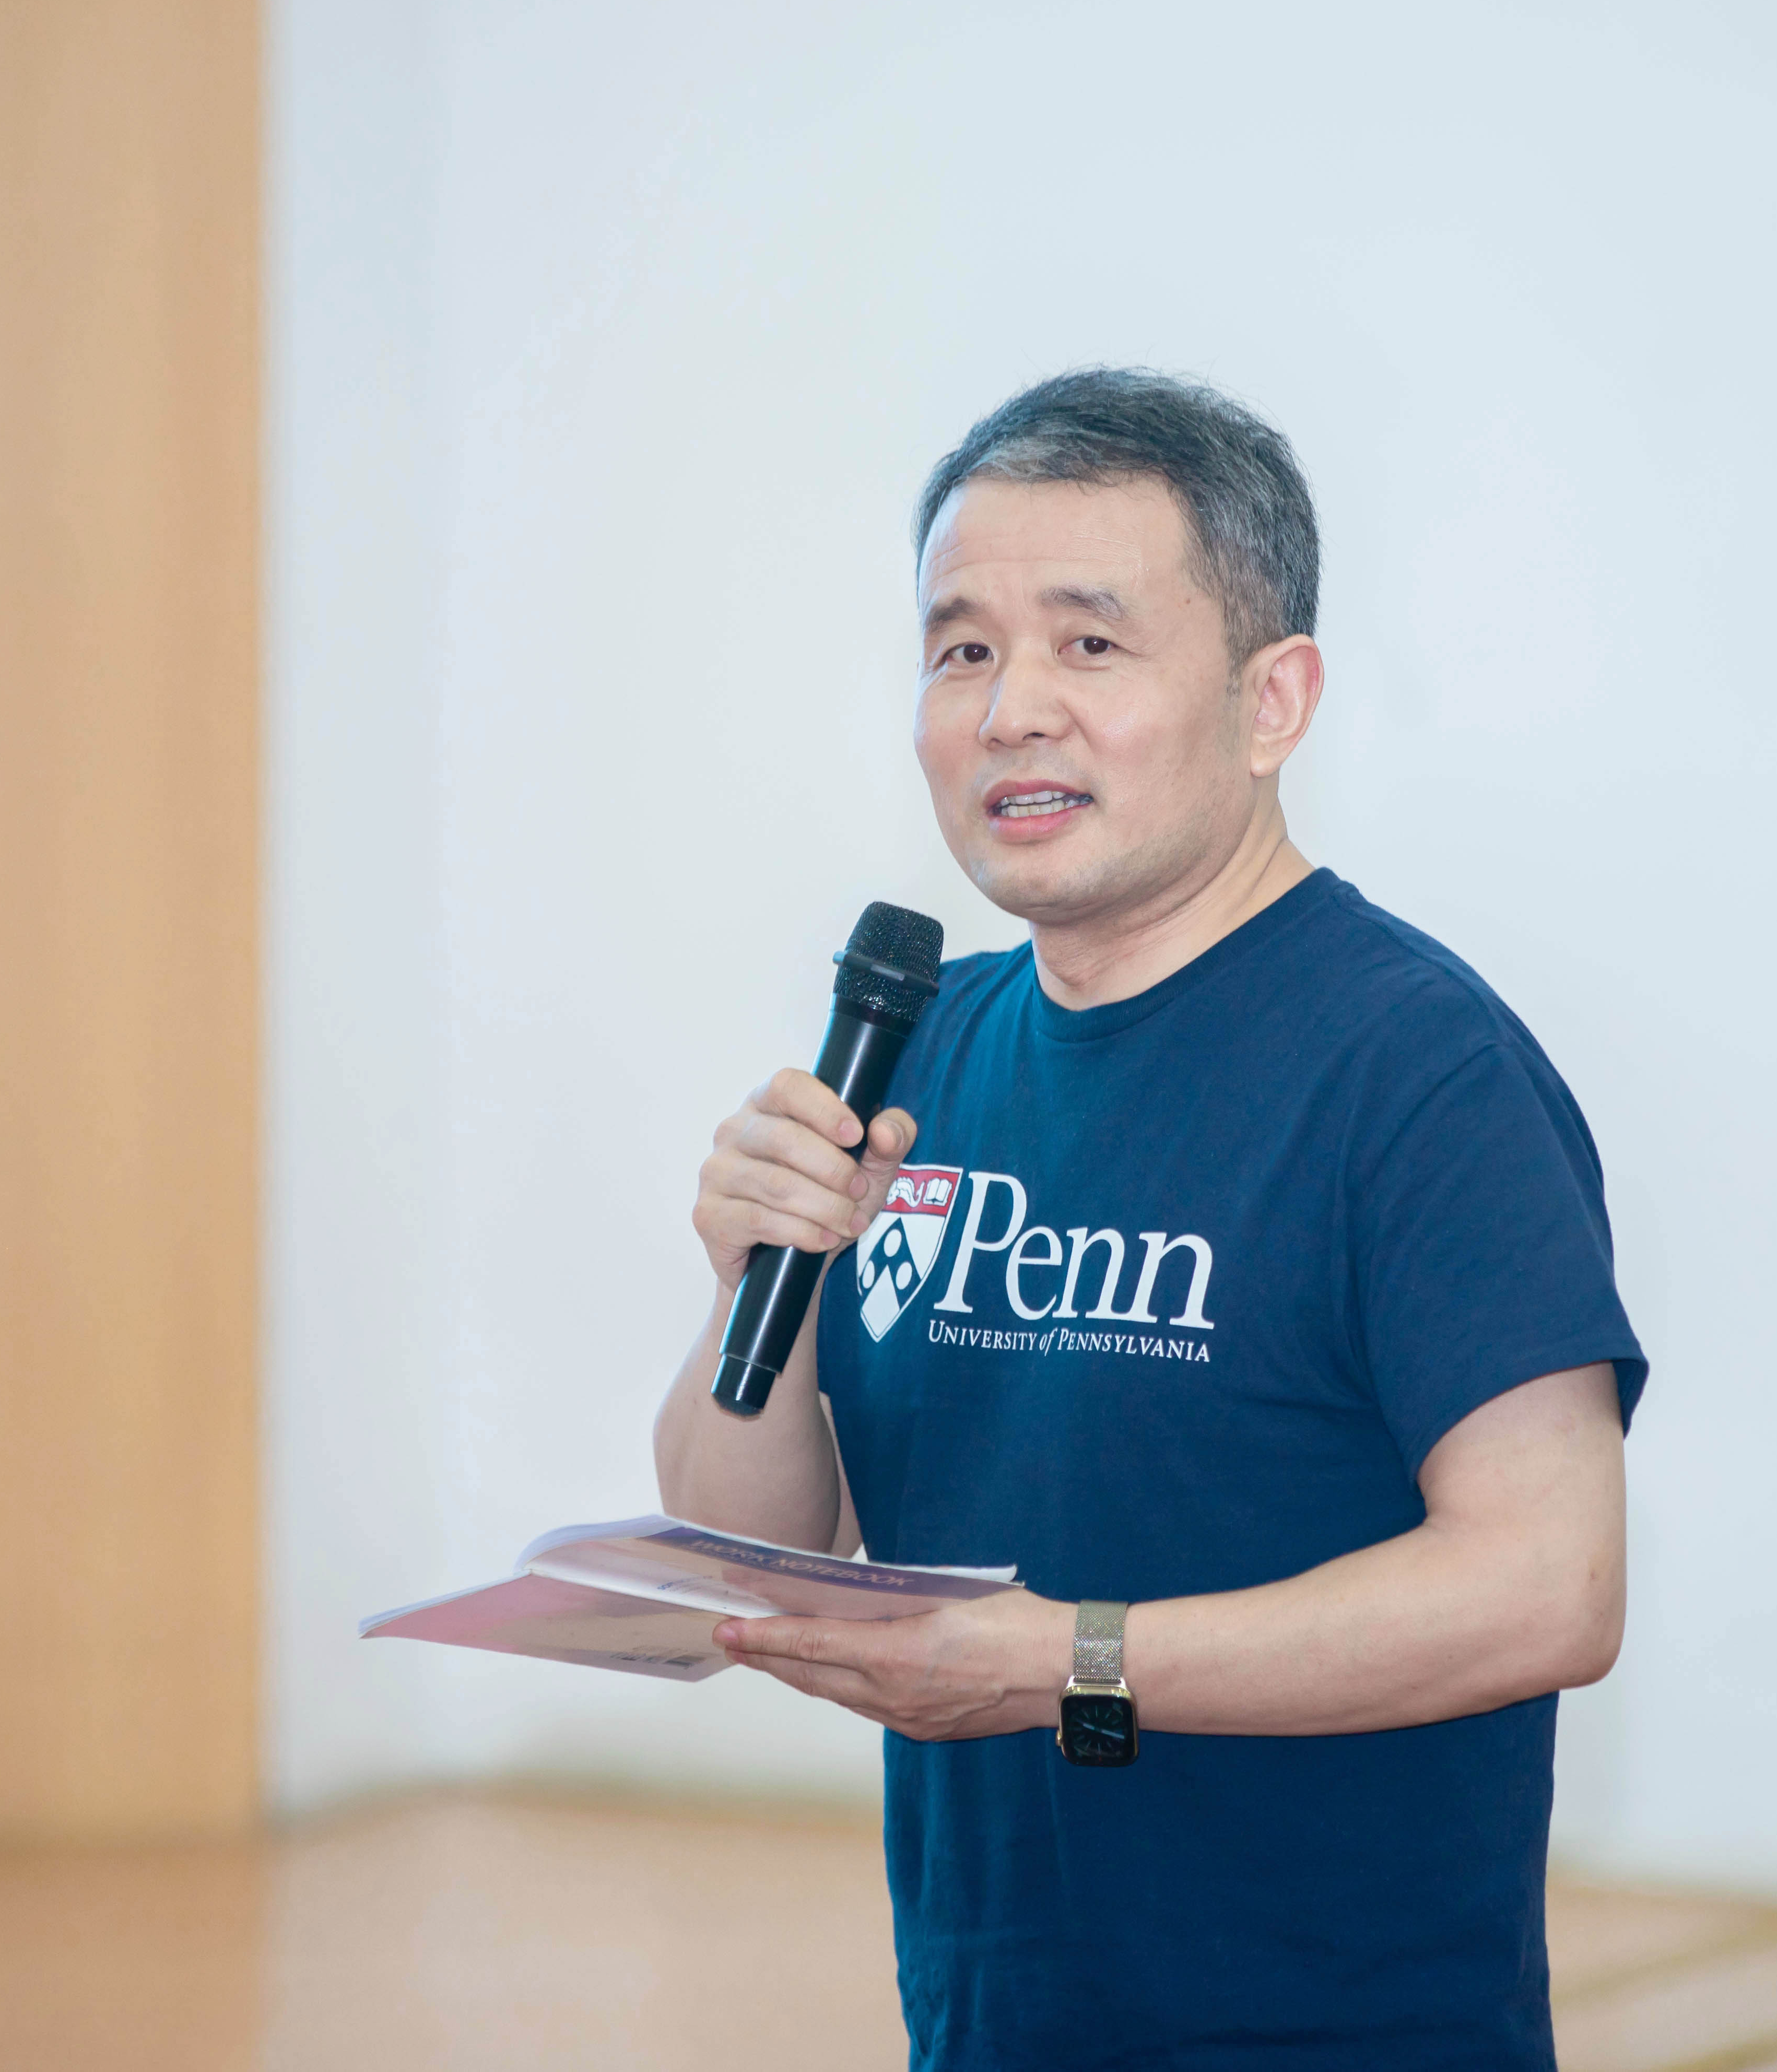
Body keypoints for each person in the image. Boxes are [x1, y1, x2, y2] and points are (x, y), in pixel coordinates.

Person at [651, 368, 1645, 2070]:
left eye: (1090, 643)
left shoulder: (1421, 1074)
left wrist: (1069, 1662)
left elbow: (1549, 1586)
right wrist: (760, 1280)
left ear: (1274, 701)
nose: (1010, 710)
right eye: (963, 650)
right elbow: (766, 1547)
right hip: (995, 2026)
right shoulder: (921, 1054)